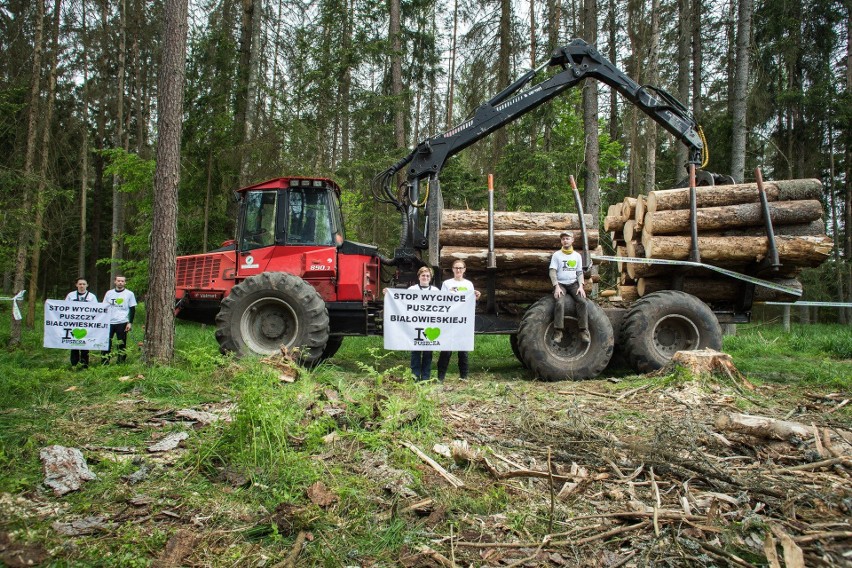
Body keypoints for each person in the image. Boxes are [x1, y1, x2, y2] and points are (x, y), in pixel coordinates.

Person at [437, 260, 480, 381]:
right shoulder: (446, 284)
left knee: (463, 350)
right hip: (449, 320)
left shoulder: (469, 284)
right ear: (452, 269)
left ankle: (464, 377)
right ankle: (440, 377)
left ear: (464, 269)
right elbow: (441, 301)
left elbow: (471, 302)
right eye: (456, 268)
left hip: (463, 322)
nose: (458, 270)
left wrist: (476, 297)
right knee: (446, 349)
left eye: (461, 268)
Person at [549, 232, 590, 344]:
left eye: (567, 238)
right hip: (561, 284)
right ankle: (558, 331)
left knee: (583, 302)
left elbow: (579, 272)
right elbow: (552, 271)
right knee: (559, 302)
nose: (565, 240)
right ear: (561, 241)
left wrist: (581, 286)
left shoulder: (577, 256)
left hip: (573, 284)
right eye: (563, 239)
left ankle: (583, 331)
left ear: (572, 240)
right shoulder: (557, 255)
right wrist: (556, 287)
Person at [409, 266, 439, 382]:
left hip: (430, 325)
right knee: (415, 351)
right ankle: (415, 377)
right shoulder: (412, 289)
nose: (425, 277)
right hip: (416, 324)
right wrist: (388, 293)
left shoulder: (435, 291)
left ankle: (426, 377)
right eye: (423, 275)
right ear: (419, 277)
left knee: (428, 352)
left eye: (427, 276)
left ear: (430, 278)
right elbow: (402, 302)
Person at [102, 275, 137, 364]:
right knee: (106, 342)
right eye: (118, 281)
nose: (120, 282)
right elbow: (104, 307)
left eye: (122, 281)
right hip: (109, 321)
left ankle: (121, 361)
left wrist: (130, 322)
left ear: (125, 282)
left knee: (121, 343)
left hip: (122, 321)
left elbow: (132, 309)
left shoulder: (129, 294)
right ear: (115, 282)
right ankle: (104, 361)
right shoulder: (109, 293)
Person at [64, 277, 99, 369]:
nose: (82, 286)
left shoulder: (92, 297)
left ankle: (84, 365)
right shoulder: (70, 296)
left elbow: (95, 310)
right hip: (73, 324)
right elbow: (65, 308)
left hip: (86, 324)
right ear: (76, 285)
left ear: (87, 285)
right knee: (74, 343)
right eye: (80, 284)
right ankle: (74, 364)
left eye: (84, 284)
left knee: (85, 344)